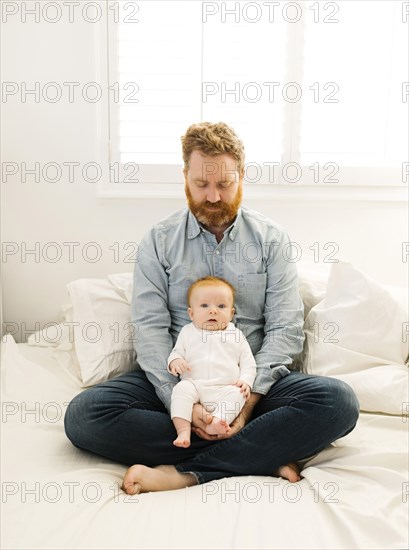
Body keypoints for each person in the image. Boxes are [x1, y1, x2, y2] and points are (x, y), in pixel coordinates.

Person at [64, 121, 360, 495]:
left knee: (339, 402)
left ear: (243, 176)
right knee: (84, 416)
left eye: (225, 184)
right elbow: (150, 330)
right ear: (185, 176)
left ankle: (186, 473)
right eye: (202, 184)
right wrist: (184, 406)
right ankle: (265, 451)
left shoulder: (271, 240)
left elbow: (285, 329)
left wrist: (247, 403)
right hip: (176, 383)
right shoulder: (158, 241)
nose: (214, 197)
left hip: (250, 385)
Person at [168, 276, 257, 446]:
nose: (213, 311)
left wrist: (246, 381)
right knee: (180, 390)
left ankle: (217, 422)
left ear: (231, 313)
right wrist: (175, 361)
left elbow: (248, 363)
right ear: (191, 313)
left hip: (226, 388)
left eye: (221, 306)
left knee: (239, 395)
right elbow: (176, 352)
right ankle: (183, 431)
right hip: (195, 386)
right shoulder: (187, 332)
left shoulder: (235, 335)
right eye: (204, 305)